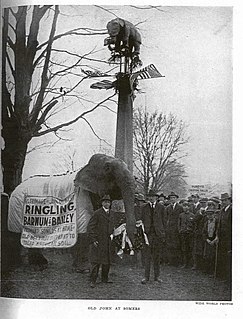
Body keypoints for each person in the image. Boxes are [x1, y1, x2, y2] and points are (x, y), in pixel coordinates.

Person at [87, 195, 115, 288]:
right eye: (105, 202)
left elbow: (113, 226)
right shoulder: (97, 213)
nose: (107, 203)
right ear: (102, 203)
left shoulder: (112, 213)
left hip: (108, 241)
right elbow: (90, 227)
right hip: (99, 241)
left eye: (108, 202)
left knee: (107, 260)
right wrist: (93, 239)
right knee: (96, 261)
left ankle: (104, 279)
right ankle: (93, 280)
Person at [140, 189, 166, 284]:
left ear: (156, 198)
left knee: (157, 256)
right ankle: (146, 277)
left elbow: (164, 221)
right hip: (147, 235)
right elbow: (141, 220)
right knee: (147, 256)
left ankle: (157, 276)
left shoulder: (161, 207)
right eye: (149, 196)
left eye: (153, 196)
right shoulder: (144, 207)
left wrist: (163, 234)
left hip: (158, 235)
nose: (151, 198)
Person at [215, 193, 232, 284]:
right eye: (222, 201)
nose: (224, 202)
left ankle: (228, 277)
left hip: (228, 238)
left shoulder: (232, 210)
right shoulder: (222, 211)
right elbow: (219, 225)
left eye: (225, 200)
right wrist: (217, 235)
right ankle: (222, 275)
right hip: (221, 237)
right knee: (222, 256)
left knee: (228, 257)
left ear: (229, 200)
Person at [165, 191, 184, 266]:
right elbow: (165, 218)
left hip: (177, 229)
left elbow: (182, 218)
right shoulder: (167, 208)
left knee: (176, 245)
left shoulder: (180, 207)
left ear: (176, 199)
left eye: (174, 198)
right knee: (169, 245)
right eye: (171, 198)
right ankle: (170, 261)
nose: (172, 199)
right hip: (169, 229)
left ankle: (177, 262)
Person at [178, 202, 195, 268]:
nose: (185, 208)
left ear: (189, 207)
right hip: (183, 234)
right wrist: (180, 230)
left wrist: (191, 231)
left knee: (190, 248)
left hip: (190, 234)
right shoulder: (181, 215)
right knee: (184, 249)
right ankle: (184, 263)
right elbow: (178, 224)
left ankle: (191, 263)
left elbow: (194, 225)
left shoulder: (192, 215)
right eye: (184, 206)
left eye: (186, 206)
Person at [202, 208, 218, 275]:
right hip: (208, 240)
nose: (209, 216)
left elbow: (218, 232)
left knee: (213, 256)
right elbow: (204, 233)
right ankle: (207, 270)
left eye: (211, 215)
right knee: (207, 256)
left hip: (214, 240)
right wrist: (207, 240)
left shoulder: (217, 223)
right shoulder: (206, 223)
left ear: (214, 215)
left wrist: (214, 240)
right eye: (208, 215)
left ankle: (213, 271)